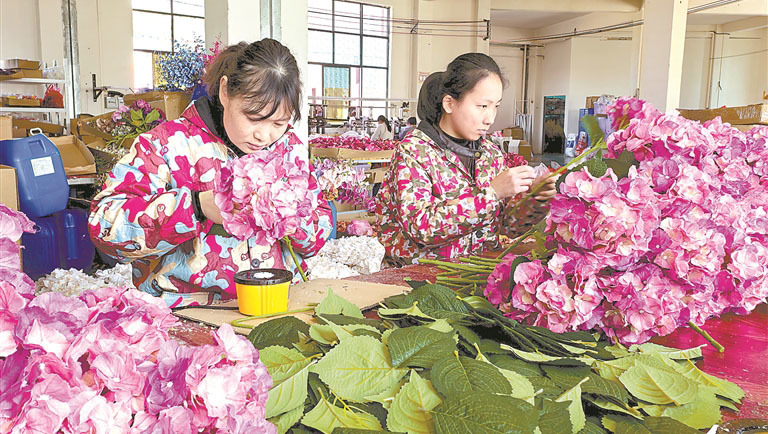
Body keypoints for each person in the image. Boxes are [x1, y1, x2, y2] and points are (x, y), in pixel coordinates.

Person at [89, 39, 333, 307]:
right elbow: (105, 228)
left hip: (277, 303)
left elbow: (318, 234)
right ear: (225, 91)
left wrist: (290, 217)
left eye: (278, 122)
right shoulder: (166, 145)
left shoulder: (289, 149)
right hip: (188, 311)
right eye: (253, 117)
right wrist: (194, 206)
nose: (264, 135)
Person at [376, 53, 557, 264]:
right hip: (422, 282)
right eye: (483, 106)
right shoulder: (415, 152)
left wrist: (535, 200)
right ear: (449, 103)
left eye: (496, 106)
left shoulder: (490, 154)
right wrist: (491, 194)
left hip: (475, 277)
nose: (490, 118)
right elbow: (421, 228)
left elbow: (508, 227)